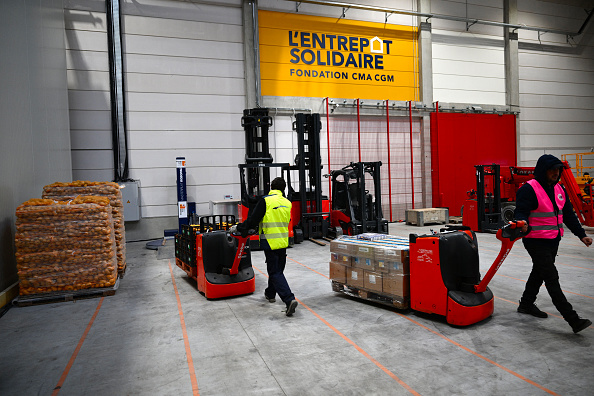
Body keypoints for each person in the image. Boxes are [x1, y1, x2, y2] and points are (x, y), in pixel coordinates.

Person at [514, 154, 592, 333]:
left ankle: (526, 304)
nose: (556, 173)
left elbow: (569, 215)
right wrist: (523, 223)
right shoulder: (529, 189)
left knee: (539, 272)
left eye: (558, 169)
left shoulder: (559, 189)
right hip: (535, 241)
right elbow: (521, 212)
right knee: (551, 278)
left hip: (553, 240)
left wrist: (581, 235)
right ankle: (573, 320)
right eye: (552, 169)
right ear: (543, 170)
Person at [234, 177, 298, 317]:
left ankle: (289, 299)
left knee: (275, 272)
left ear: (272, 188)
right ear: (283, 189)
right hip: (283, 242)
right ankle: (270, 293)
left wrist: (241, 227)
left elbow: (253, 219)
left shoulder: (266, 201)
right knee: (277, 270)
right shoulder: (287, 203)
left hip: (270, 242)